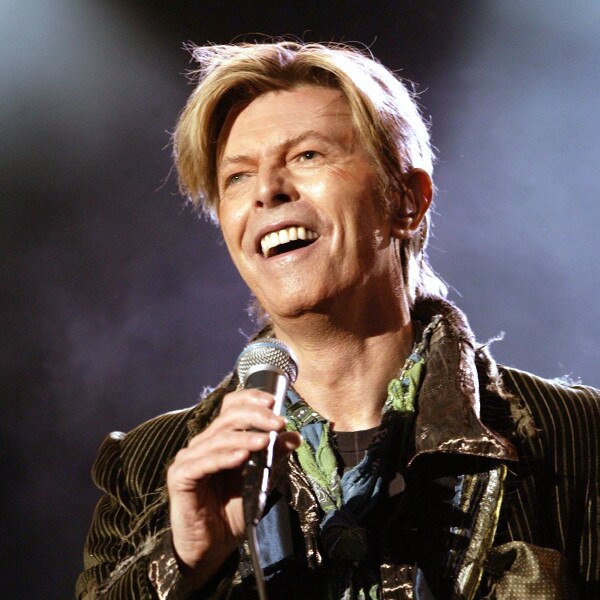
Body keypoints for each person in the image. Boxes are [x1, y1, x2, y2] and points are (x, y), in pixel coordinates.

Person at [75, 41, 599, 599]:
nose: (267, 191)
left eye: (307, 156)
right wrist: (182, 561)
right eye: (237, 177)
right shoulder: (149, 467)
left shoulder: (574, 435)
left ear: (407, 201)